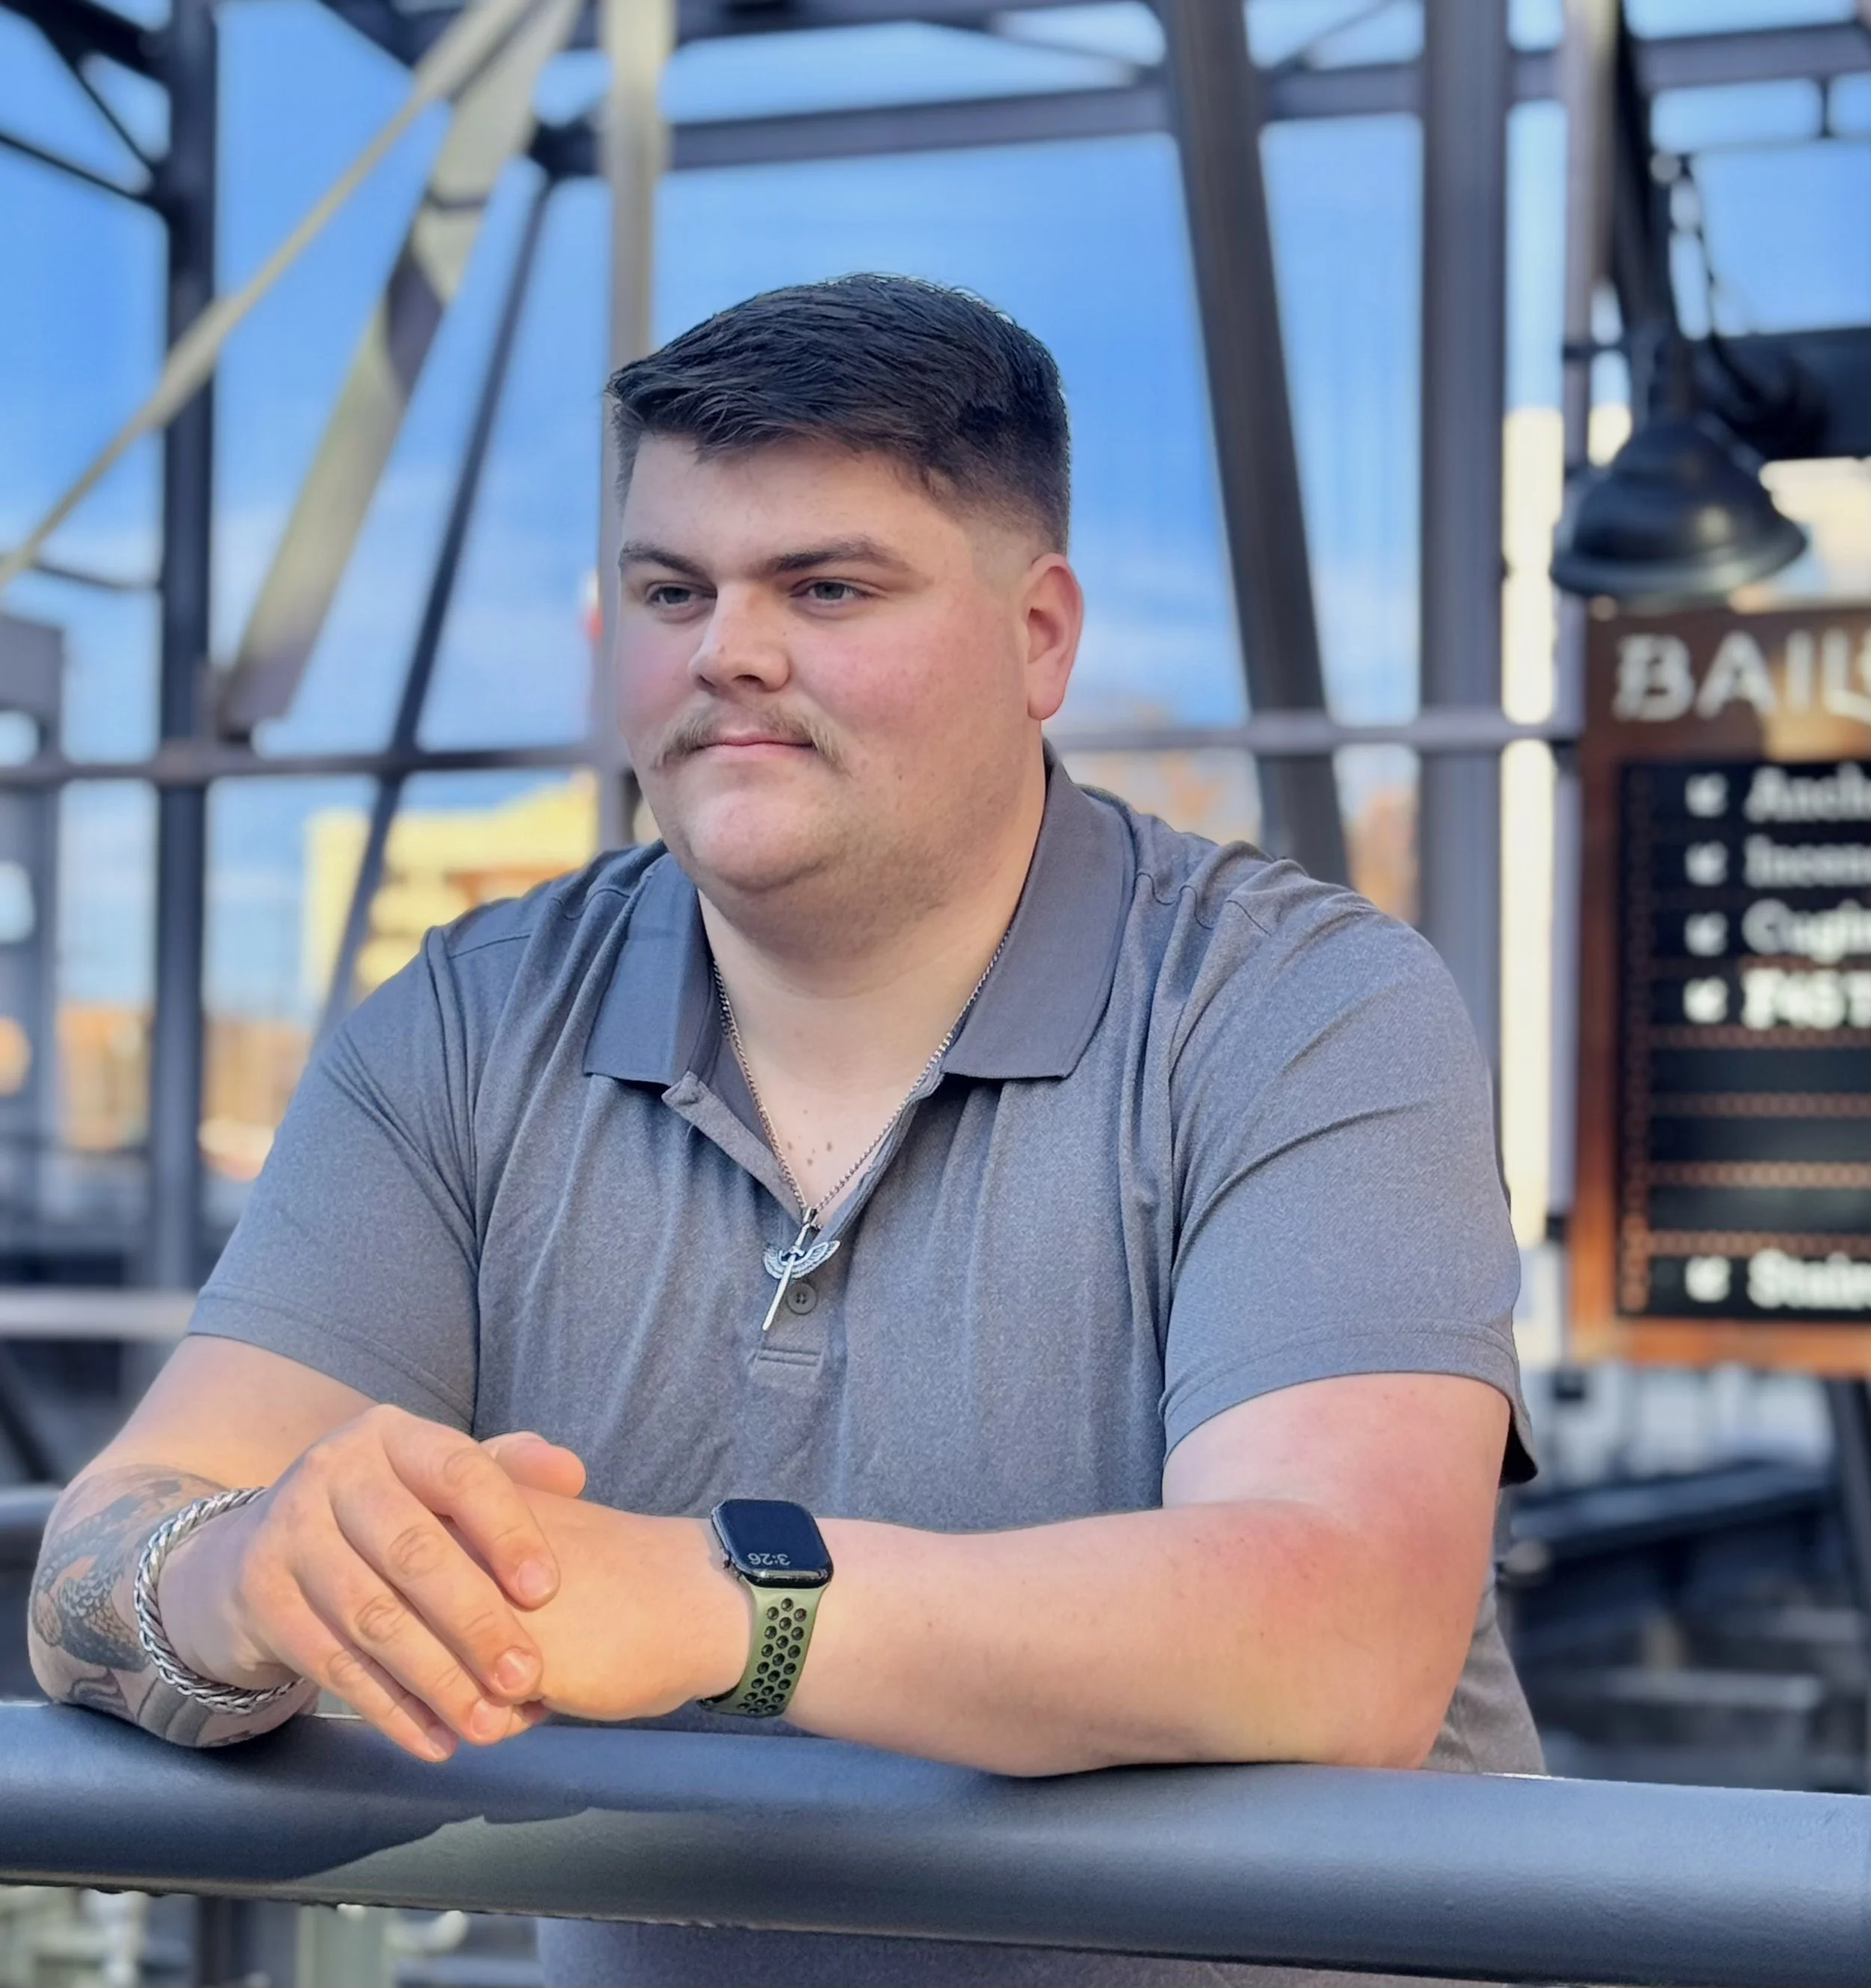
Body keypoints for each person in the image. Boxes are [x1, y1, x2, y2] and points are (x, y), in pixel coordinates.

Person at [30, 275, 1539, 1987]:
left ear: (1039, 635)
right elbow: (107, 1538)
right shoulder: (466, 1022)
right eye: (671, 588)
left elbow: (1337, 1634)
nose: (726, 648)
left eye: (826, 585)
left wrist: (719, 1601)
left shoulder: (1297, 1004)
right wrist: (242, 1574)